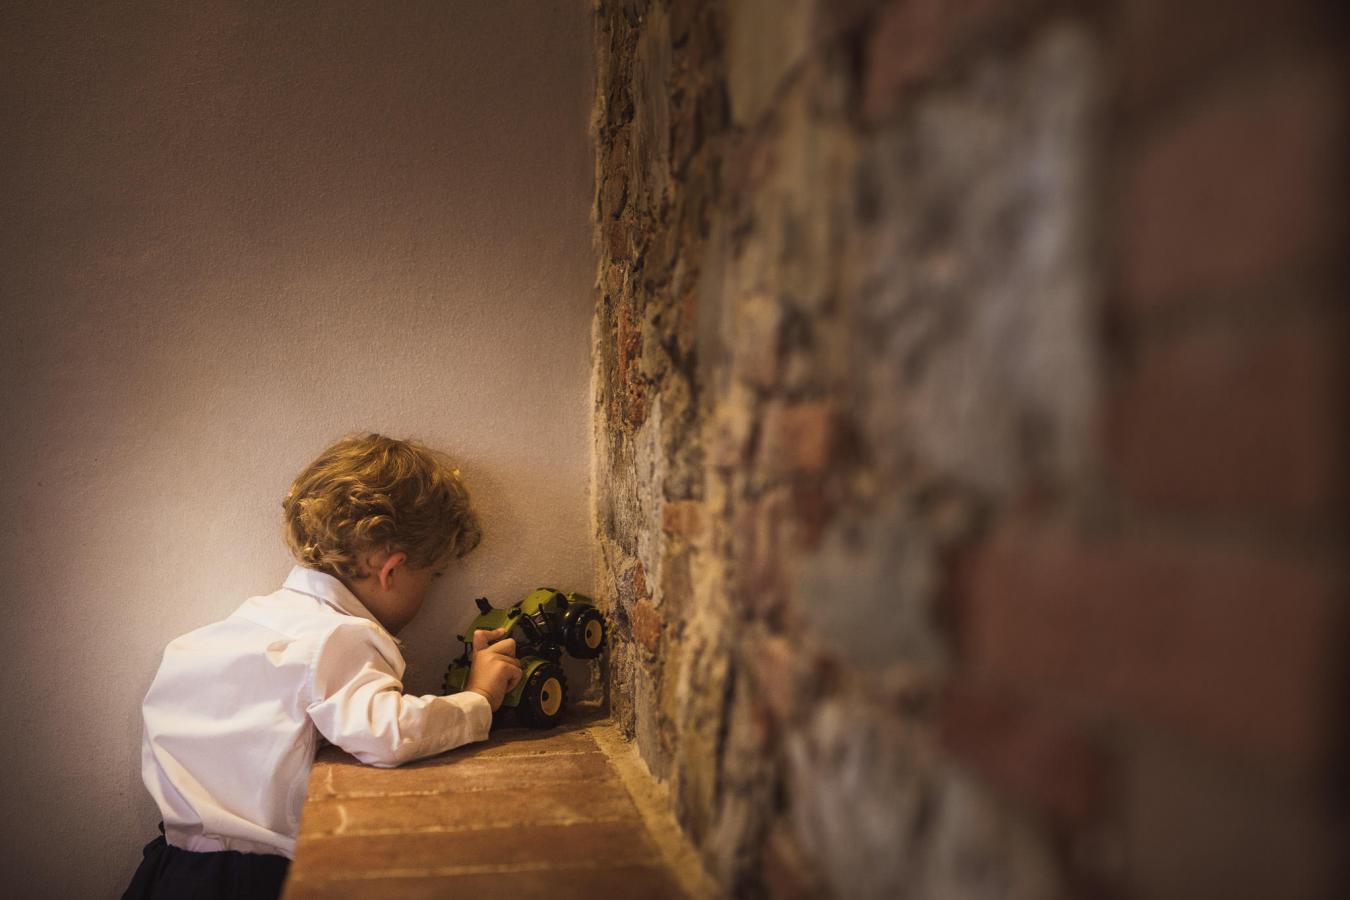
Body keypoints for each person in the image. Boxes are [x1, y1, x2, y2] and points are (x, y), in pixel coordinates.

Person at [121, 433, 522, 900]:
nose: (431, 589)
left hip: (170, 868)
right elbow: (389, 734)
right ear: (391, 571)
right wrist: (480, 697)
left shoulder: (231, 630)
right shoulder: (339, 636)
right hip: (253, 880)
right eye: (432, 576)